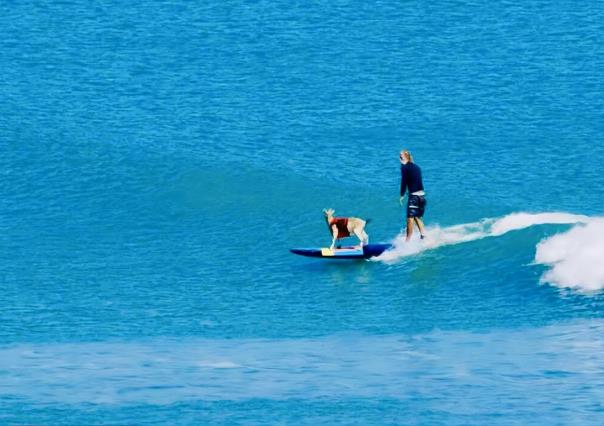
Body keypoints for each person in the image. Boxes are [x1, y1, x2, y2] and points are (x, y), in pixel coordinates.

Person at [399, 150, 426, 241]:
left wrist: (402, 195)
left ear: (405, 158)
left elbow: (404, 182)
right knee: (417, 217)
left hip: (414, 197)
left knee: (410, 219)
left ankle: (407, 241)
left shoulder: (405, 167)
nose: (399, 159)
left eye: (400, 157)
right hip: (422, 196)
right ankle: (423, 236)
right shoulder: (417, 167)